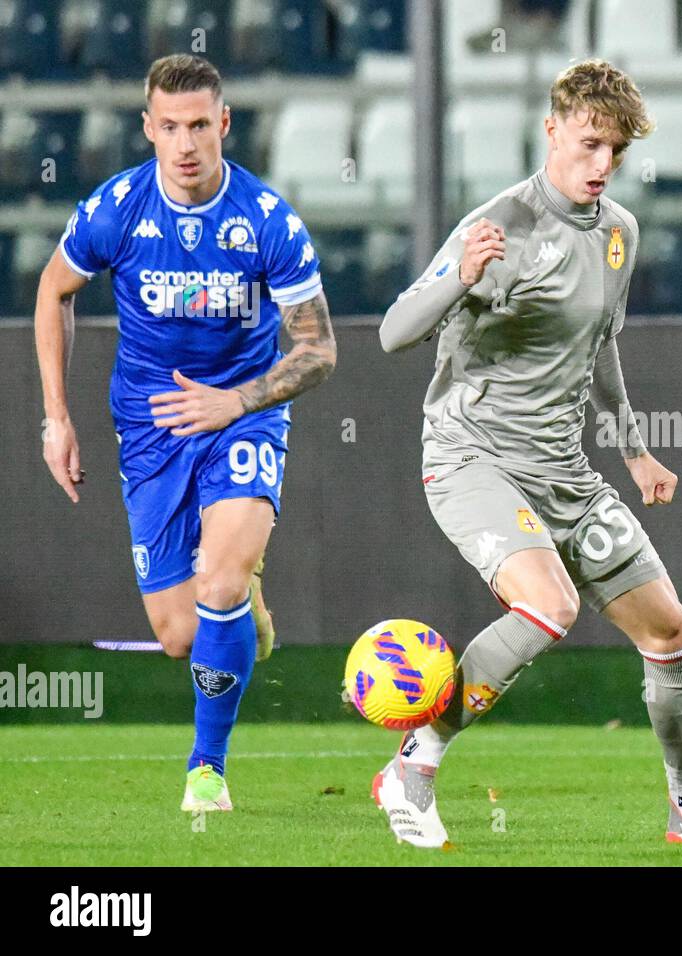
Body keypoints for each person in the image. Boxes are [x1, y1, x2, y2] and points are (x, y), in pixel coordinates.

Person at [376, 58, 682, 847]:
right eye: (591, 144)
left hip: (565, 470)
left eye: (617, 151)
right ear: (552, 129)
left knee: (675, 635)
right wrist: (459, 278)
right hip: (472, 456)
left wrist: (634, 453)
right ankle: (412, 765)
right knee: (549, 605)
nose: (603, 165)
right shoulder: (496, 226)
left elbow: (601, 349)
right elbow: (396, 333)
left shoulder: (620, 233)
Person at [33, 54, 336, 812]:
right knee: (179, 635)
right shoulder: (118, 208)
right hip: (151, 427)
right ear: (148, 130)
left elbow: (319, 349)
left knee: (220, 581)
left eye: (200, 124)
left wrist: (234, 403)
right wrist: (57, 418)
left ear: (224, 123)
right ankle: (244, 607)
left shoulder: (267, 221)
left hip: (244, 414)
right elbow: (53, 290)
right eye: (169, 127)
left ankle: (208, 768)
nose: (186, 143)